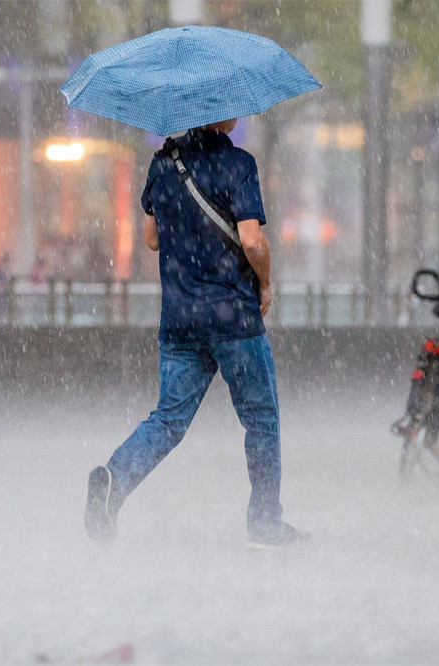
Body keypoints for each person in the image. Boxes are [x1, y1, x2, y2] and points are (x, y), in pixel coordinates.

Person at [84, 118, 310, 549]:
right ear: (222, 115)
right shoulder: (238, 164)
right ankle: (264, 523)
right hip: (233, 318)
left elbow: (151, 238)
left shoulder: (163, 161)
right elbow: (252, 241)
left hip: (180, 318)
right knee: (260, 418)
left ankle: (114, 479)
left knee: (168, 420)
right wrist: (265, 281)